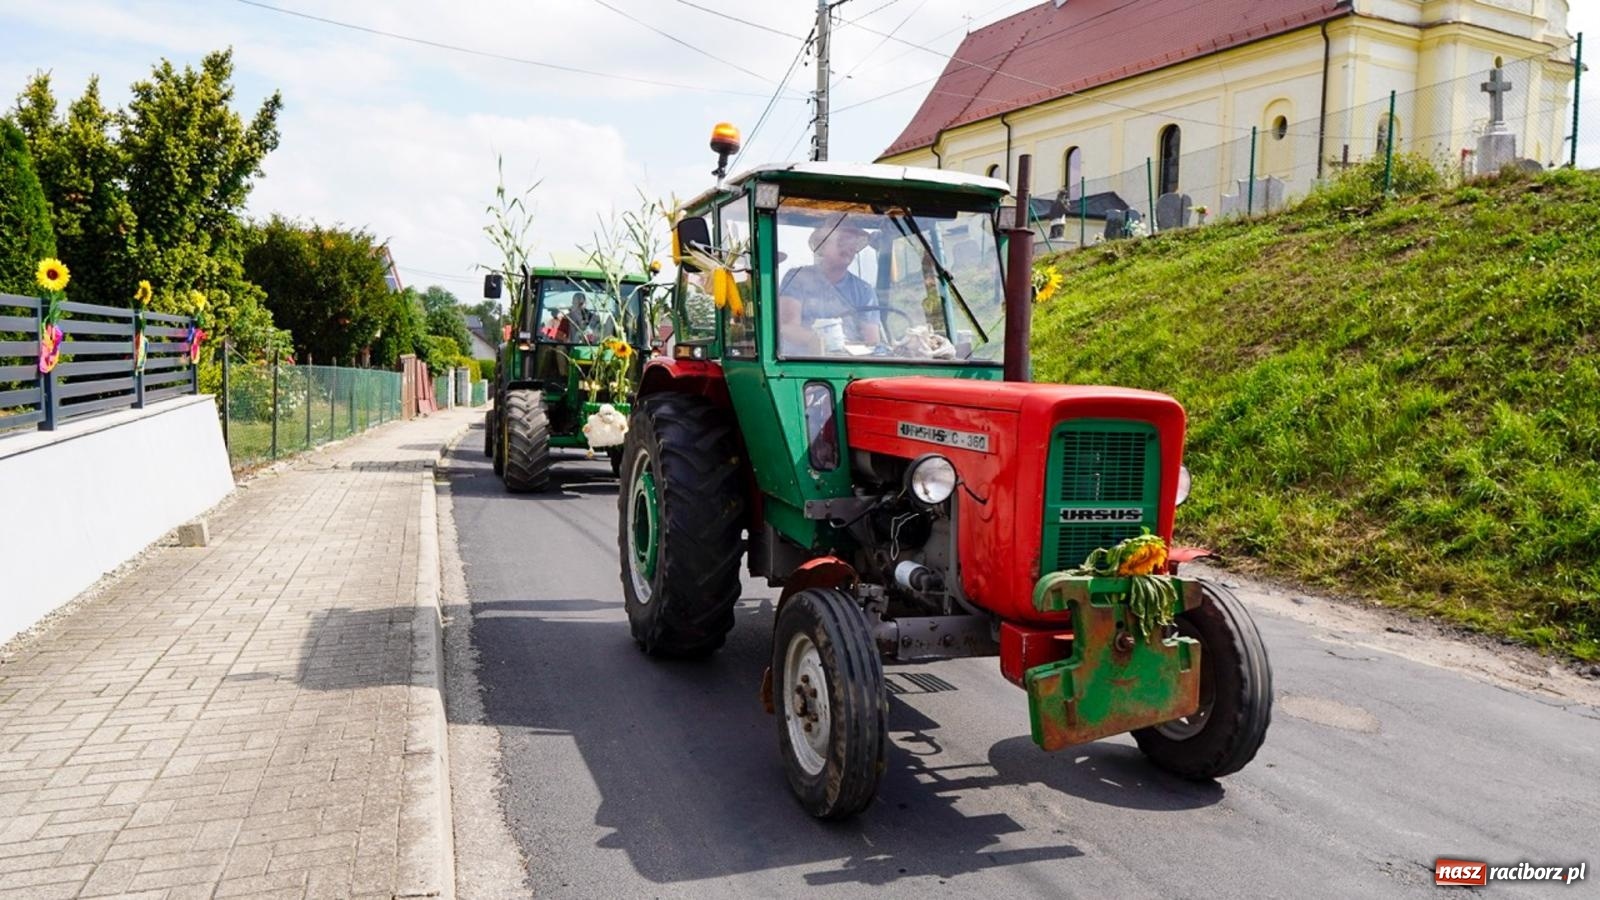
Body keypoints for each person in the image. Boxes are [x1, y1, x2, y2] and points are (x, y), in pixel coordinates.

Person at [778, 215, 882, 354]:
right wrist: (815, 341)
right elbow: (787, 326)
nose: (848, 248)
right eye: (841, 242)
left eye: (853, 244)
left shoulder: (864, 290)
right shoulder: (797, 278)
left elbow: (872, 340)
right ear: (822, 245)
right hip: (801, 365)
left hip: (852, 366)